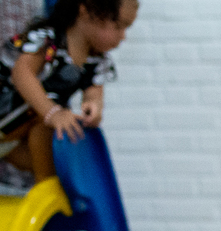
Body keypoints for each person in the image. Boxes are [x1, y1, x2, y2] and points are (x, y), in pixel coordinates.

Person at [0, 0, 138, 182]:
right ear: (86, 11)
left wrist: (93, 107)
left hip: (18, 135)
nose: (123, 36)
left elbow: (94, 92)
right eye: (119, 26)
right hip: (7, 113)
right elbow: (22, 74)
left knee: (55, 144)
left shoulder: (96, 60)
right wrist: (53, 113)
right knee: (50, 122)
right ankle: (47, 186)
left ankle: (47, 187)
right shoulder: (49, 40)